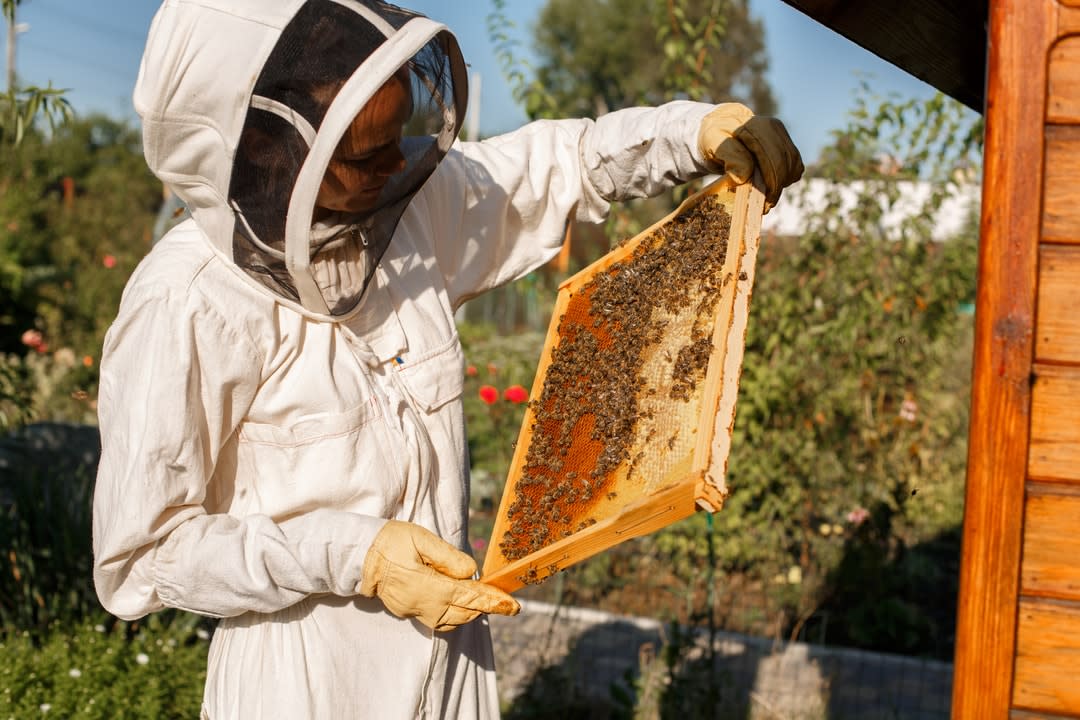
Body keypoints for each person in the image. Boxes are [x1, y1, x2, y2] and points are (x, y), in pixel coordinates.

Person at [91, 0, 803, 717]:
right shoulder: (185, 300)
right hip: (306, 683)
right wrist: (355, 555)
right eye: (365, 153)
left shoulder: (409, 214)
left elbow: (565, 163)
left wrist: (690, 133)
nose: (395, 164)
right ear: (266, 149)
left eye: (400, 135)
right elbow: (144, 554)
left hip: (455, 668)